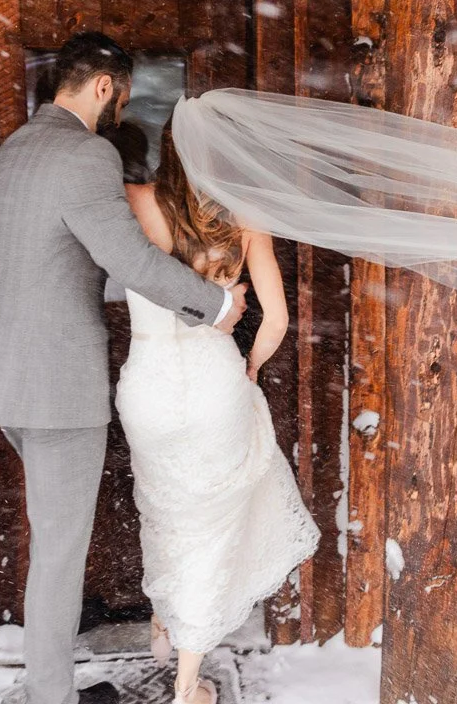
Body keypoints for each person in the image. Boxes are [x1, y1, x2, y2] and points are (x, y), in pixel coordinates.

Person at [0, 31, 248, 704]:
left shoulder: (17, 147)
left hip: (1, 370)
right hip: (53, 384)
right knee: (59, 549)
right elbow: (127, 260)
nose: (120, 113)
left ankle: (48, 686)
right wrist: (215, 303)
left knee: (53, 538)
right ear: (105, 87)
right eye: (122, 97)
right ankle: (51, 696)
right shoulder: (85, 154)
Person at [115, 126, 320, 704]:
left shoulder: (135, 202)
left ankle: (165, 620)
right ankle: (187, 684)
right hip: (212, 386)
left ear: (170, 150)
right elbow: (274, 320)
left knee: (164, 510)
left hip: (148, 387)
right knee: (210, 529)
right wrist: (251, 365)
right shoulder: (244, 217)